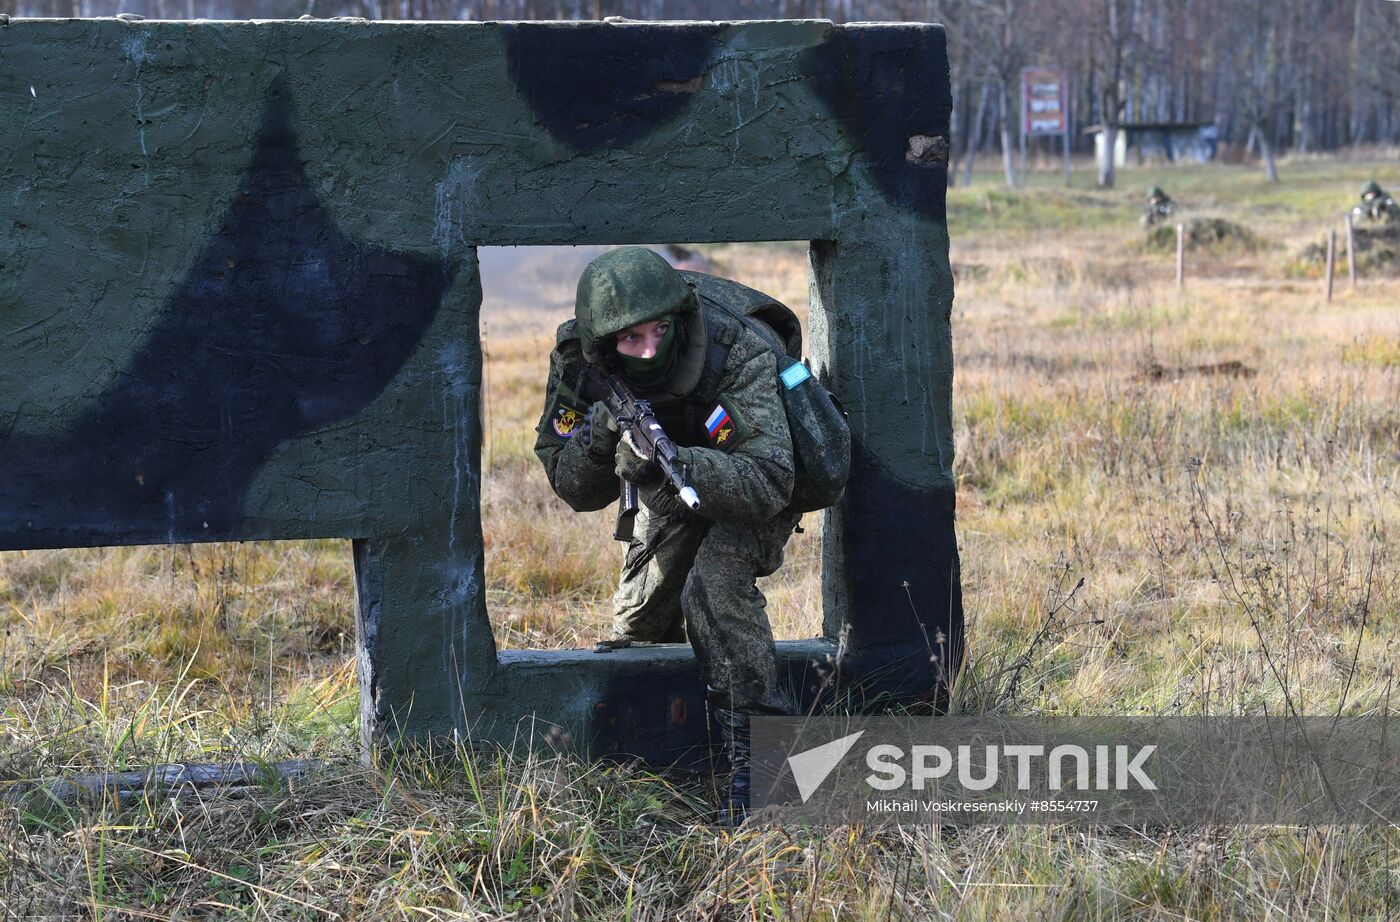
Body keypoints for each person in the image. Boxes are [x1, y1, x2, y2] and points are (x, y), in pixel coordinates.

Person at [533, 246, 801, 824]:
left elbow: (771, 481)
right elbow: (575, 488)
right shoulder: (580, 359)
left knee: (715, 586)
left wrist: (677, 462)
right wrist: (605, 433)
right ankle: (663, 759)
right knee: (640, 623)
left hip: (759, 474)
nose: (651, 349)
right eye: (631, 340)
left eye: (661, 331)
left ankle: (767, 770)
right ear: (604, 343)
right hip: (669, 477)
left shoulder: (737, 348)